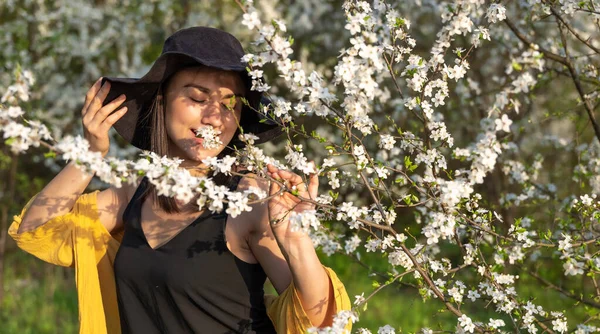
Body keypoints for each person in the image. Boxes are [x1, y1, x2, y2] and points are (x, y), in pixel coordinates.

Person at [8, 26, 351, 334]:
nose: (214, 117)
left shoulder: (251, 200)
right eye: (198, 98)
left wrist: (295, 240)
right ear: (162, 101)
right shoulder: (134, 195)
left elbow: (323, 324)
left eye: (230, 104)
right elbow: (37, 232)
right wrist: (90, 154)